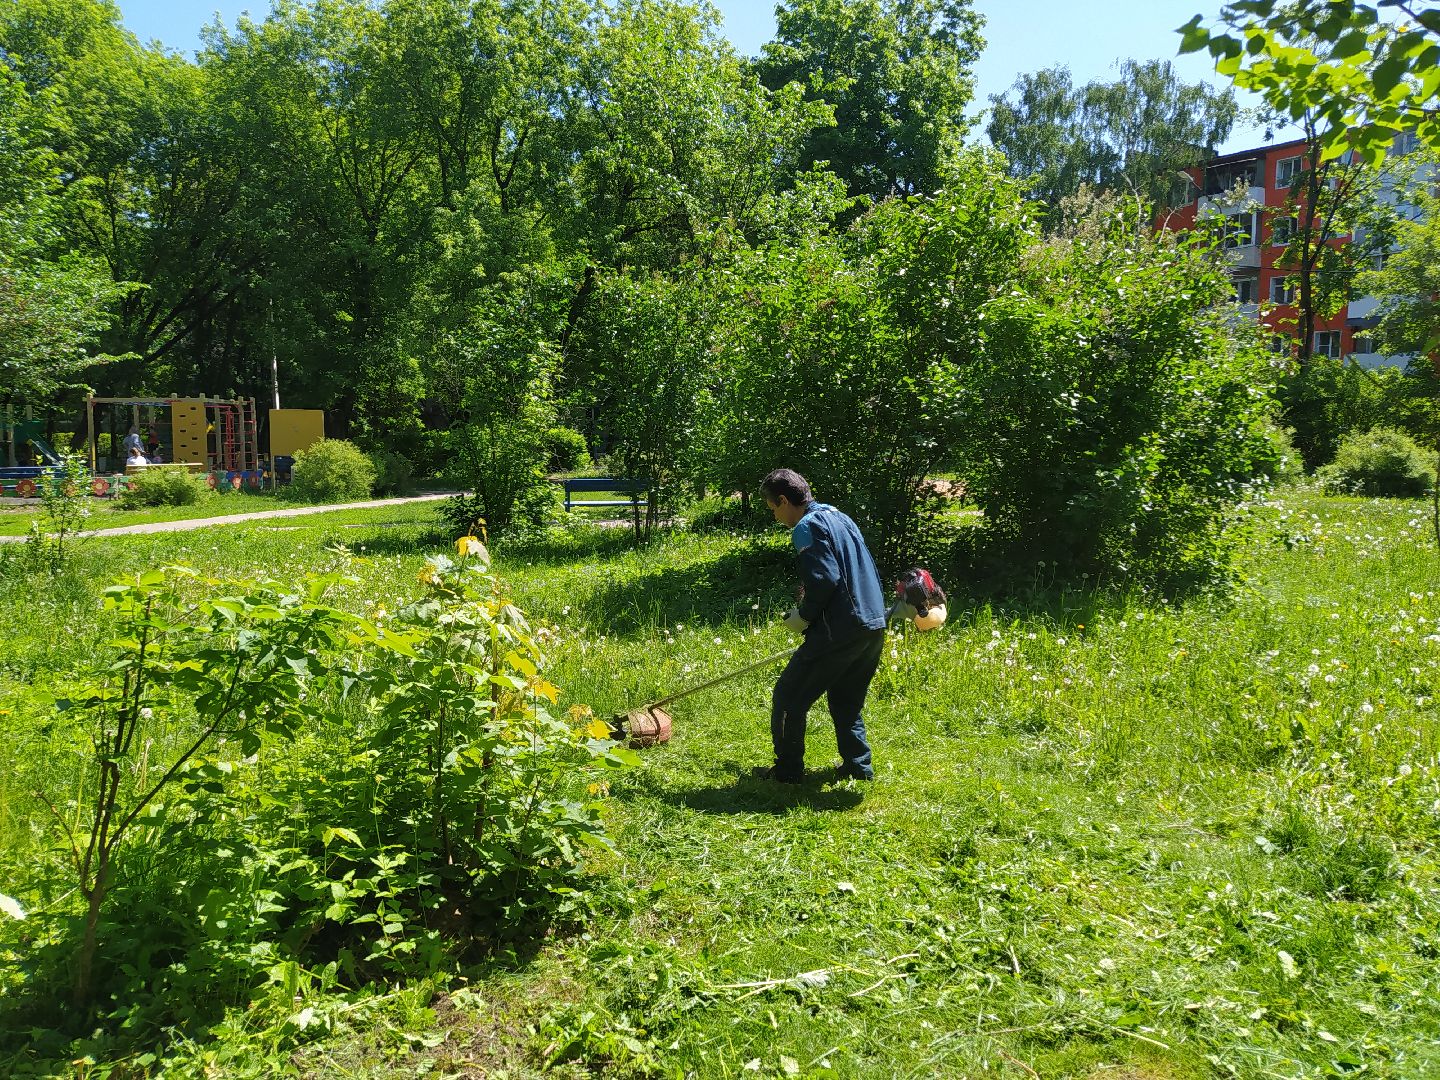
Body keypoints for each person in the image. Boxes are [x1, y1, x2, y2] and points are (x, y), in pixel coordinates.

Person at [761, 468, 887, 783]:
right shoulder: (840, 517)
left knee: (789, 698)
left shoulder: (806, 527)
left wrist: (803, 616)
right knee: (846, 700)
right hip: (873, 624)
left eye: (774, 509)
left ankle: (788, 772)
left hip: (841, 630)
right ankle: (859, 768)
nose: (776, 517)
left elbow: (826, 580)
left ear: (783, 500)